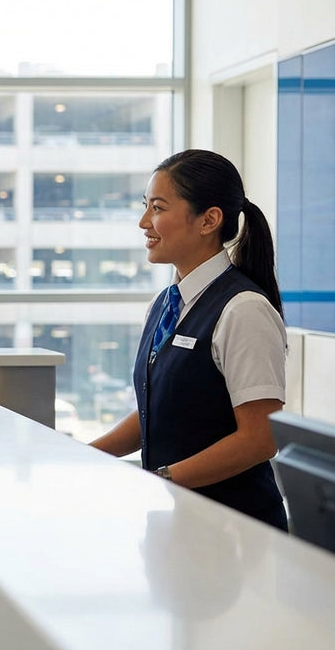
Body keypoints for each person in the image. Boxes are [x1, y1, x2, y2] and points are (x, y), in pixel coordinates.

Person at [90, 149, 289, 530]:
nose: (143, 222)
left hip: (235, 530)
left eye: (157, 208)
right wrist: (83, 455)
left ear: (209, 220)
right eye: (146, 206)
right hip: (176, 522)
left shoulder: (243, 309)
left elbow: (260, 438)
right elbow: (157, 411)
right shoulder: (165, 304)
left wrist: (160, 479)